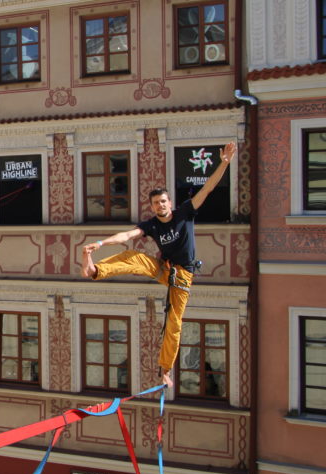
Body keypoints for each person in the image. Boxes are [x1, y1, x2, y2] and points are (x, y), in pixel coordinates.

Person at [81, 142, 236, 386]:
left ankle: (165, 369)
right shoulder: (152, 225)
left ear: (169, 202)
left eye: (163, 202)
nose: (160, 206)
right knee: (133, 257)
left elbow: (207, 189)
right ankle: (96, 270)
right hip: (164, 268)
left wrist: (224, 163)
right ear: (152, 206)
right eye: (155, 203)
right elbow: (126, 237)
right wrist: (100, 244)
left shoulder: (185, 212)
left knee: (174, 324)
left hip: (182, 276)